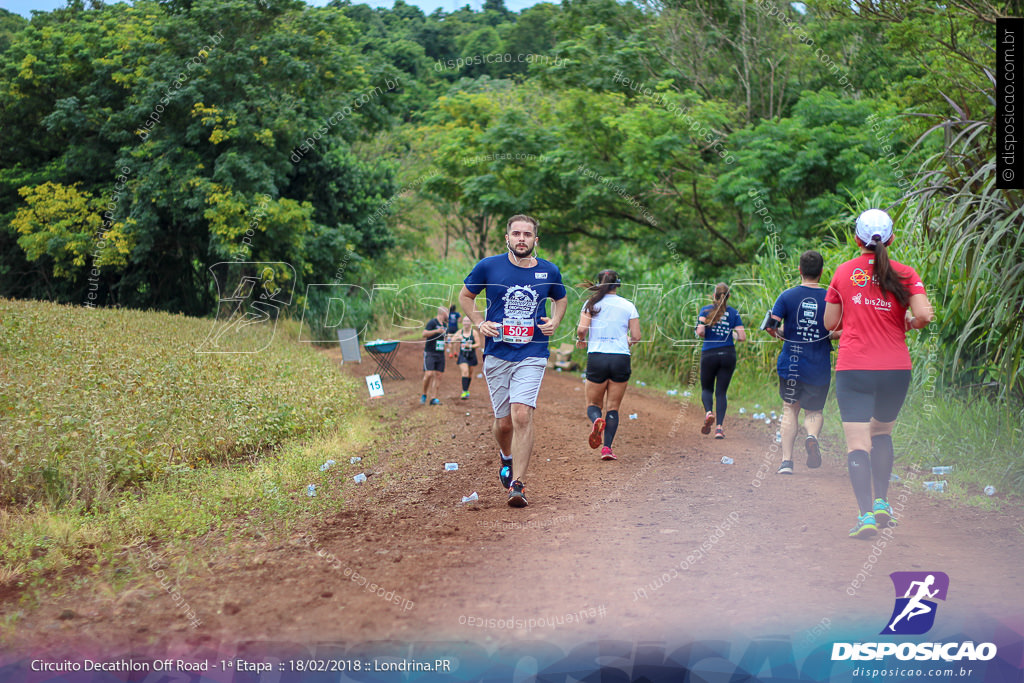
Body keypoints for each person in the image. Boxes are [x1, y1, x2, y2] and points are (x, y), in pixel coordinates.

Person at [824, 209, 933, 539]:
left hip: (855, 368)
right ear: (892, 238)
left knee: (857, 443)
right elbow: (925, 315)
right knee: (882, 433)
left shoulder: (843, 273)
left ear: (856, 239)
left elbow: (830, 324)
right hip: (895, 369)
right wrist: (908, 323)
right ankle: (884, 503)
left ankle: (866, 515)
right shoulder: (905, 273)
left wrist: (853, 322)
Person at [458, 214, 567, 508]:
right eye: (516, 234)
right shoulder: (488, 266)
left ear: (535, 240)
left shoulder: (548, 270)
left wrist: (555, 321)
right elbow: (465, 296)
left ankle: (517, 484)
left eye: (527, 235)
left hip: (533, 352)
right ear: (507, 238)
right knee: (504, 422)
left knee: (521, 415)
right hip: (497, 353)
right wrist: (480, 323)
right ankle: (505, 457)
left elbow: (561, 298)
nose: (522, 239)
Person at [766, 250, 840, 474]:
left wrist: (780, 334)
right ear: (821, 271)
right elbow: (837, 331)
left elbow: (770, 325)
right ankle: (811, 436)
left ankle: (786, 462)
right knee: (814, 411)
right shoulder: (830, 297)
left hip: (790, 363)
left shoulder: (786, 296)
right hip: (818, 366)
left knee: (790, 409)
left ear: (800, 270)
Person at [575, 269, 641, 461]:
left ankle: (597, 419)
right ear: (617, 285)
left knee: (593, 404)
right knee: (613, 407)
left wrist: (581, 339)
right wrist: (627, 342)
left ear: (598, 284)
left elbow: (582, 329)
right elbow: (636, 336)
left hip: (597, 357)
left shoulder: (591, 304)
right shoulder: (628, 305)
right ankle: (607, 449)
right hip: (620, 357)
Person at [696, 283, 746, 439]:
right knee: (721, 392)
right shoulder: (734, 313)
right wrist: (731, 335)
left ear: (714, 296)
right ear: (728, 297)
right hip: (728, 355)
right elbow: (742, 337)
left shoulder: (705, 310)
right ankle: (719, 428)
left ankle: (709, 412)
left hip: (709, 354)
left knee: (707, 389)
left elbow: (700, 332)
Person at [420, 306, 448, 405]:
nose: (448, 315)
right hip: (430, 352)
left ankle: (433, 398)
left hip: (440, 353)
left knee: (439, 375)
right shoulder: (432, 322)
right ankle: (424, 394)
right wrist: (436, 331)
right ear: (443, 313)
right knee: (429, 374)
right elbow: (424, 334)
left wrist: (448, 340)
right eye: (447, 312)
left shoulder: (445, 325)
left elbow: (445, 338)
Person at [455, 316, 482, 399]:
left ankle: (466, 390)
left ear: (470, 323)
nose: (466, 323)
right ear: (462, 323)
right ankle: (464, 391)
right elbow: (451, 340)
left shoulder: (474, 333)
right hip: (462, 355)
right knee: (465, 371)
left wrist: (469, 345)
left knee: (469, 374)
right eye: (465, 321)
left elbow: (478, 344)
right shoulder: (460, 332)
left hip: (471, 355)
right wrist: (457, 339)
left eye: (468, 321)